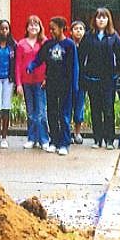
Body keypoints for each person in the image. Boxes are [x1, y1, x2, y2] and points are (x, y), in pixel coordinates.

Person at [27, 16, 79, 156]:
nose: (51, 31)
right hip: (51, 84)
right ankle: (54, 141)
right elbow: (39, 58)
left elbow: (74, 67)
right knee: (52, 113)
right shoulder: (48, 44)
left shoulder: (69, 45)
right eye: (50, 29)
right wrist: (31, 66)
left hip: (65, 85)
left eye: (54, 29)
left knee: (64, 115)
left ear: (62, 28)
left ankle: (64, 143)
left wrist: (74, 86)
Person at [78, 7, 120, 150]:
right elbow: (81, 56)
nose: (101, 20)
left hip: (108, 80)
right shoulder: (89, 36)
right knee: (95, 110)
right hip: (92, 79)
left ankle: (109, 140)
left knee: (108, 110)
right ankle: (97, 139)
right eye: (99, 17)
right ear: (95, 19)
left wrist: (116, 73)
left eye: (104, 17)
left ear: (108, 19)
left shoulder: (114, 36)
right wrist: (83, 74)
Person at [16, 15, 50, 151]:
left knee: (41, 112)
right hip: (26, 82)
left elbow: (48, 62)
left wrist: (47, 78)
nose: (33, 27)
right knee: (30, 112)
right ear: (27, 27)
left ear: (40, 27)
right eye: (31, 24)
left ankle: (44, 139)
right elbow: (18, 65)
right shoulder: (21, 44)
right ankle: (31, 138)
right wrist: (18, 83)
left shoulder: (44, 42)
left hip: (40, 81)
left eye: (36, 24)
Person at [0, 19, 16, 149]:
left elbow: (16, 63)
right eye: (2, 28)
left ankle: (4, 137)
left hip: (8, 80)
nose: (4, 31)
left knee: (6, 107)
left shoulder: (13, 45)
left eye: (6, 28)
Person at [69, 20, 86, 145]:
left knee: (79, 108)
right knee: (67, 108)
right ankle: (67, 132)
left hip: (82, 82)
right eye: (76, 28)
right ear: (71, 32)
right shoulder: (68, 45)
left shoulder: (87, 46)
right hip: (68, 82)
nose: (78, 31)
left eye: (81, 29)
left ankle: (77, 133)